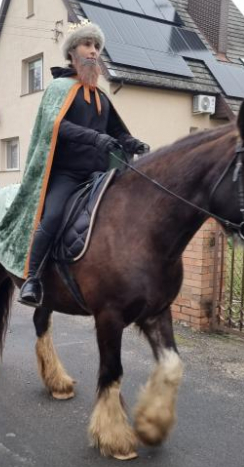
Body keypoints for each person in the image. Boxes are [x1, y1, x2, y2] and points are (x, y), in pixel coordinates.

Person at [17, 21, 148, 307]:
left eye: (97, 47)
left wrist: (132, 142)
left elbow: (117, 131)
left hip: (99, 174)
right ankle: (32, 278)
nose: (93, 51)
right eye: (87, 45)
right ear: (72, 52)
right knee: (51, 218)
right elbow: (55, 126)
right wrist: (94, 138)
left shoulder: (101, 96)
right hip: (67, 174)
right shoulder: (60, 89)